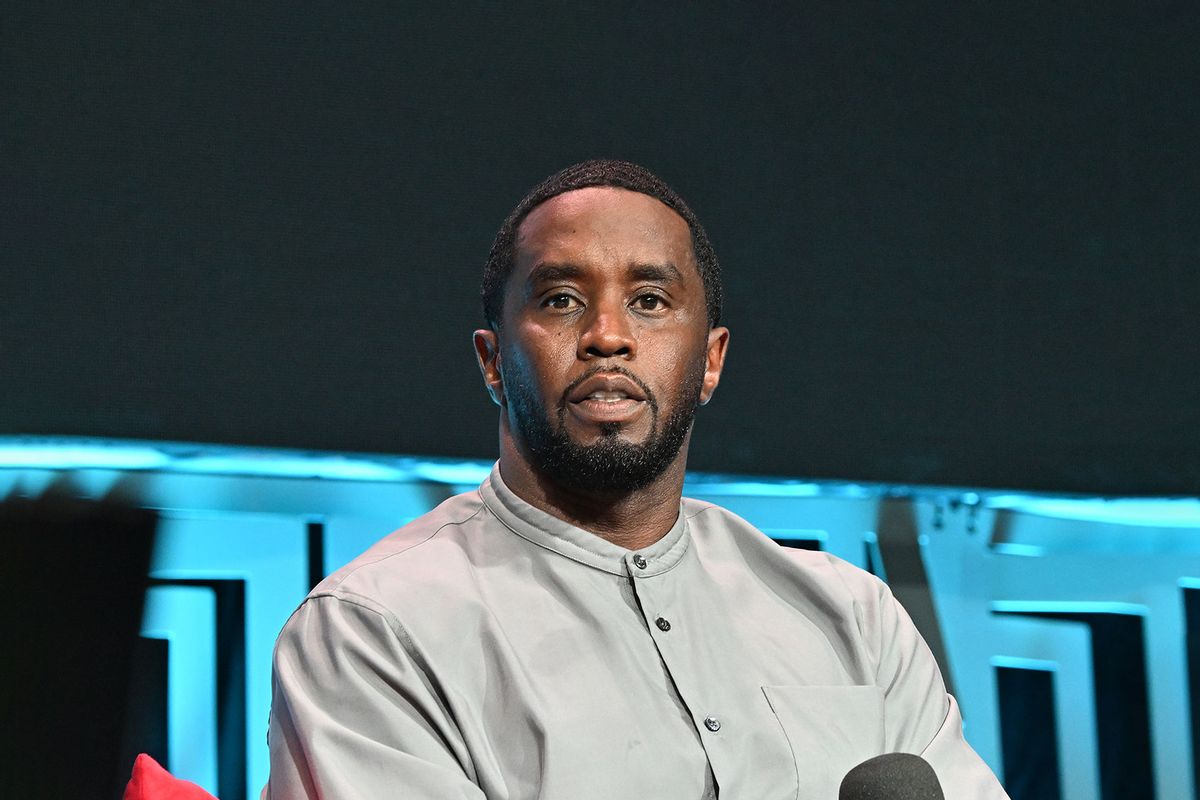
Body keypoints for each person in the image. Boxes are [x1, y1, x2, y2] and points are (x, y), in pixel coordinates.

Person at [264, 160, 1009, 799]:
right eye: (561, 300)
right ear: (492, 360)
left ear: (711, 359)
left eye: (650, 302)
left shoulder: (853, 620)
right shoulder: (376, 628)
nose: (607, 335)